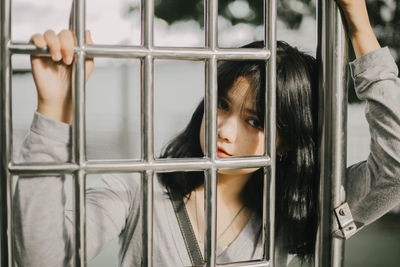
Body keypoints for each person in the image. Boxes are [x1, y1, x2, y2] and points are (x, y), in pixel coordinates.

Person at [13, 0, 400, 266]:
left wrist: (360, 29)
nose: (224, 130)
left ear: (286, 143)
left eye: (255, 122)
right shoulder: (139, 189)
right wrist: (53, 112)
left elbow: (393, 172)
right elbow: (40, 258)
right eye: (222, 104)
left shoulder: (293, 209)